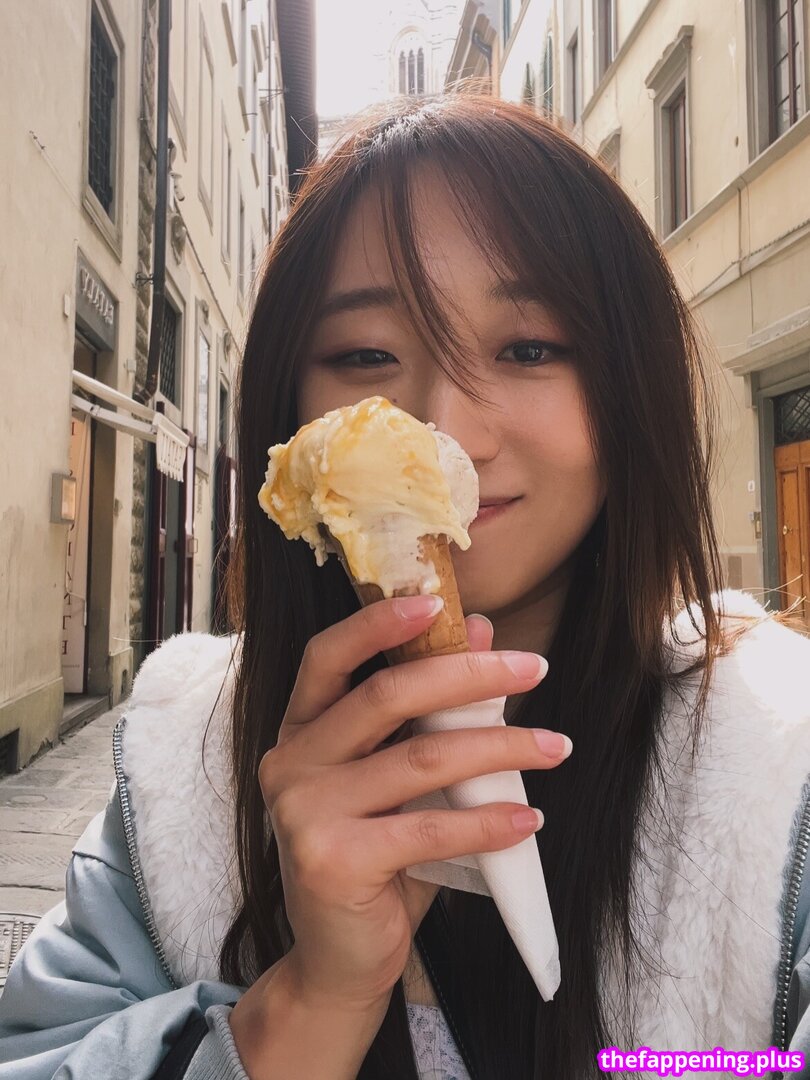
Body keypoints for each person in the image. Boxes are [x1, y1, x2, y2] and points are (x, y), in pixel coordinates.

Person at [1, 93, 808, 1080]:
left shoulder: (781, 765)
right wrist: (307, 1007)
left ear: (628, 386)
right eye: (366, 356)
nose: (446, 435)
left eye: (530, 348)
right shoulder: (181, 770)